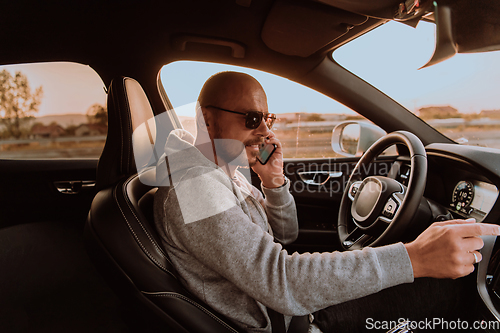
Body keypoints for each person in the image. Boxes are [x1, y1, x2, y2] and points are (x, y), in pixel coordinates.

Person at [153, 71, 500, 333]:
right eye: (251, 119)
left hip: (291, 307)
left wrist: (273, 181)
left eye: (267, 118)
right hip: (294, 321)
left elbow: (284, 237)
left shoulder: (221, 168)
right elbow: (281, 280)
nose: (263, 131)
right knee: (455, 288)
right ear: (205, 119)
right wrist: (415, 258)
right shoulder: (195, 187)